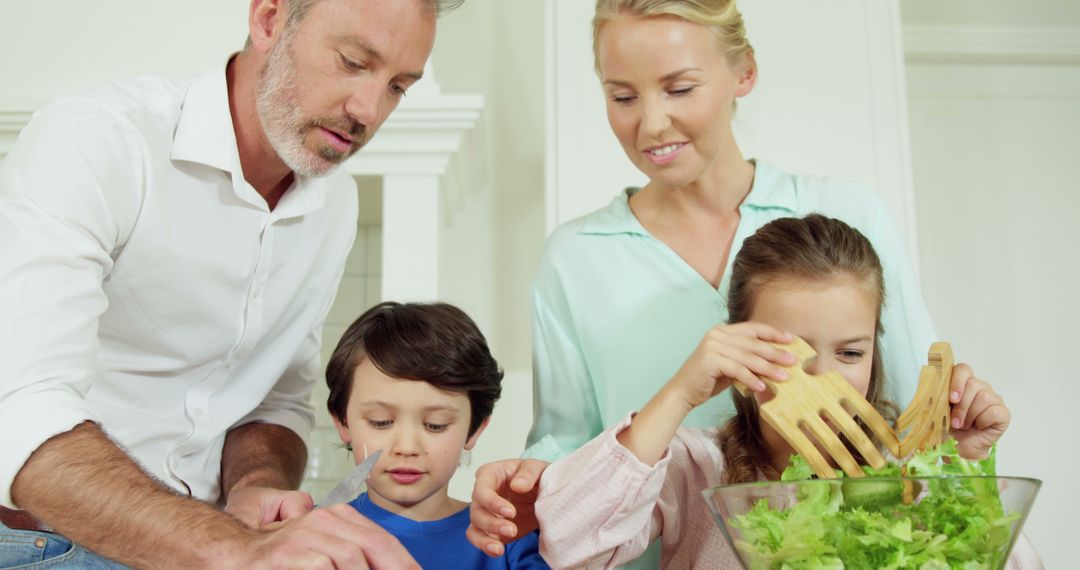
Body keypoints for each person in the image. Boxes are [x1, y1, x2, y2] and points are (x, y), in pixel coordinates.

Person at [468, 0, 935, 564]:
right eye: (622, 96)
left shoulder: (848, 219)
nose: (651, 123)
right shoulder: (573, 259)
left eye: (680, 88)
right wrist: (524, 484)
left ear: (745, 72)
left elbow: (912, 424)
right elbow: (563, 449)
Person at [0, 0, 463, 567]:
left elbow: (275, 398)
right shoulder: (97, 142)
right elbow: (20, 408)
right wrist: (232, 550)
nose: (368, 110)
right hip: (43, 544)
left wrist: (254, 485)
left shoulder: (333, 202)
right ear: (269, 19)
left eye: (398, 86)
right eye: (351, 61)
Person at [532, 214, 1040, 568]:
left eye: (850, 353)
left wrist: (961, 474)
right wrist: (678, 394)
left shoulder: (911, 473)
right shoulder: (694, 468)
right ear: (736, 344)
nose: (824, 379)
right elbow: (570, 546)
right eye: (791, 352)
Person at [326, 302, 550, 569]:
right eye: (381, 422)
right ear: (343, 422)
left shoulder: (506, 537)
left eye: (435, 425)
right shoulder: (311, 536)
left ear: (475, 429)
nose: (407, 447)